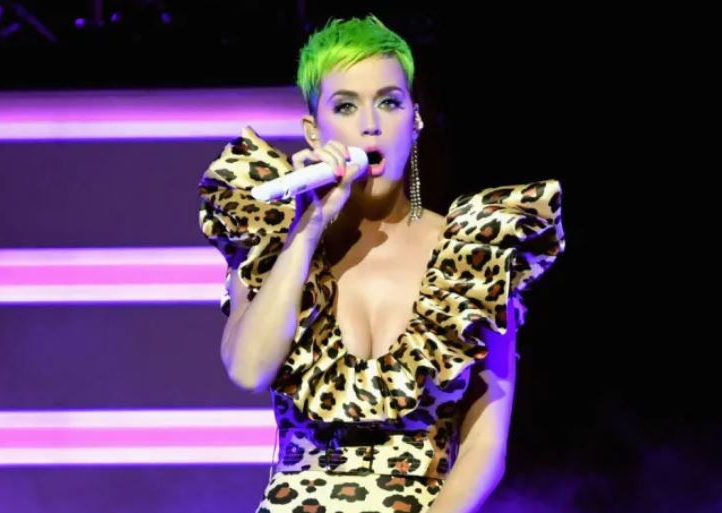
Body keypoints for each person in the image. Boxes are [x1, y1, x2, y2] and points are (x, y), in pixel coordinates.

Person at [198, 15, 565, 513]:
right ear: (314, 132)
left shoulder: (476, 254)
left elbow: (485, 446)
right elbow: (248, 371)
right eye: (345, 106)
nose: (370, 124)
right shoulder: (272, 246)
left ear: (415, 120)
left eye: (389, 102)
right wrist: (306, 228)